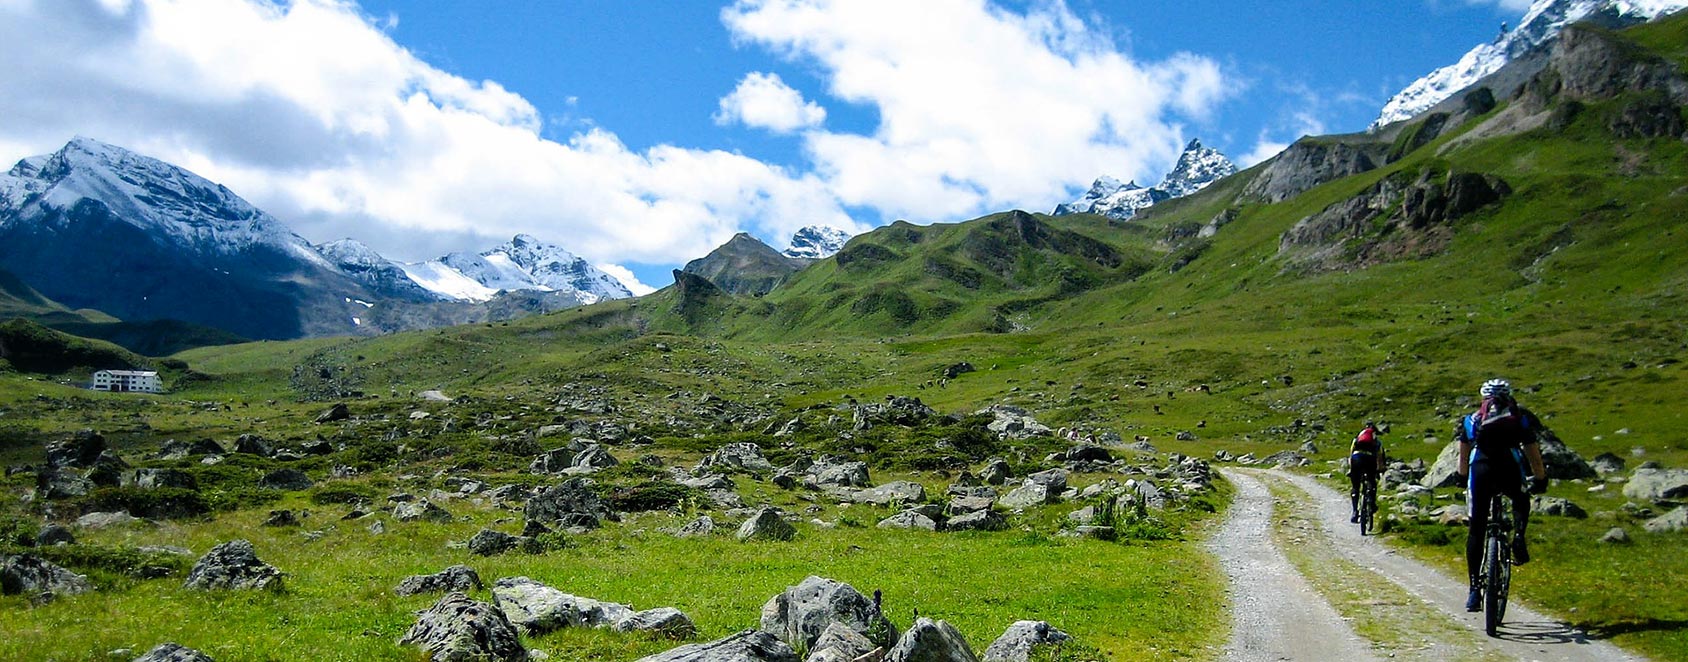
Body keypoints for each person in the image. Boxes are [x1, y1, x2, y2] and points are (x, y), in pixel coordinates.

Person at [1455, 378, 1549, 612]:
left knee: (1477, 527)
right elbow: (1533, 454)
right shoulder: (1520, 418)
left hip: (1482, 468)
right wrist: (1540, 478)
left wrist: (1460, 476)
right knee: (1520, 498)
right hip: (1509, 466)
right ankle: (1518, 536)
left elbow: (1463, 458)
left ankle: (1475, 590)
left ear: (1483, 398)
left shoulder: (1472, 420)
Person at [1348, 422, 1384, 523]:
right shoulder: (1376, 441)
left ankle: (1355, 512)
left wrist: (1350, 469)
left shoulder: (1357, 438)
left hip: (1356, 459)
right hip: (1369, 459)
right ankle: (1371, 504)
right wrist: (1380, 469)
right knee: (1372, 481)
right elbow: (1379, 456)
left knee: (1355, 487)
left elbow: (1351, 452)